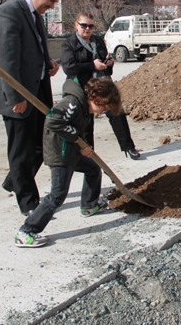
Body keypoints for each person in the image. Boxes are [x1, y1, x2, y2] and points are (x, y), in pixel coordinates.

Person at [0, 0, 62, 216]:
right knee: (22, 151)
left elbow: (33, 47)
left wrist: (48, 62)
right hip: (16, 96)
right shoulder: (8, 13)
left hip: (36, 91)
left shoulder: (35, 14)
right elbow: (7, 61)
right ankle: (29, 205)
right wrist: (15, 97)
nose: (52, 6)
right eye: (51, 1)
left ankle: (15, 181)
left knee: (41, 146)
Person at [15, 77, 121, 248]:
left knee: (93, 169)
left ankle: (89, 205)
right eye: (104, 107)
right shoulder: (71, 103)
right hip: (60, 154)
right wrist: (76, 140)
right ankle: (26, 231)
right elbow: (53, 121)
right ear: (96, 99)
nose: (103, 111)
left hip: (71, 151)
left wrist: (83, 145)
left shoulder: (83, 107)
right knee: (57, 196)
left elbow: (77, 128)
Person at [61, 12, 141, 160]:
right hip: (82, 88)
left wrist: (108, 63)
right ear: (76, 25)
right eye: (83, 25)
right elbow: (69, 67)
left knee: (117, 113)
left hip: (102, 85)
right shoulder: (69, 44)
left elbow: (105, 62)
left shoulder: (98, 41)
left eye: (90, 26)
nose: (87, 29)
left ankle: (128, 147)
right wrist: (92, 65)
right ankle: (89, 155)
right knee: (86, 123)